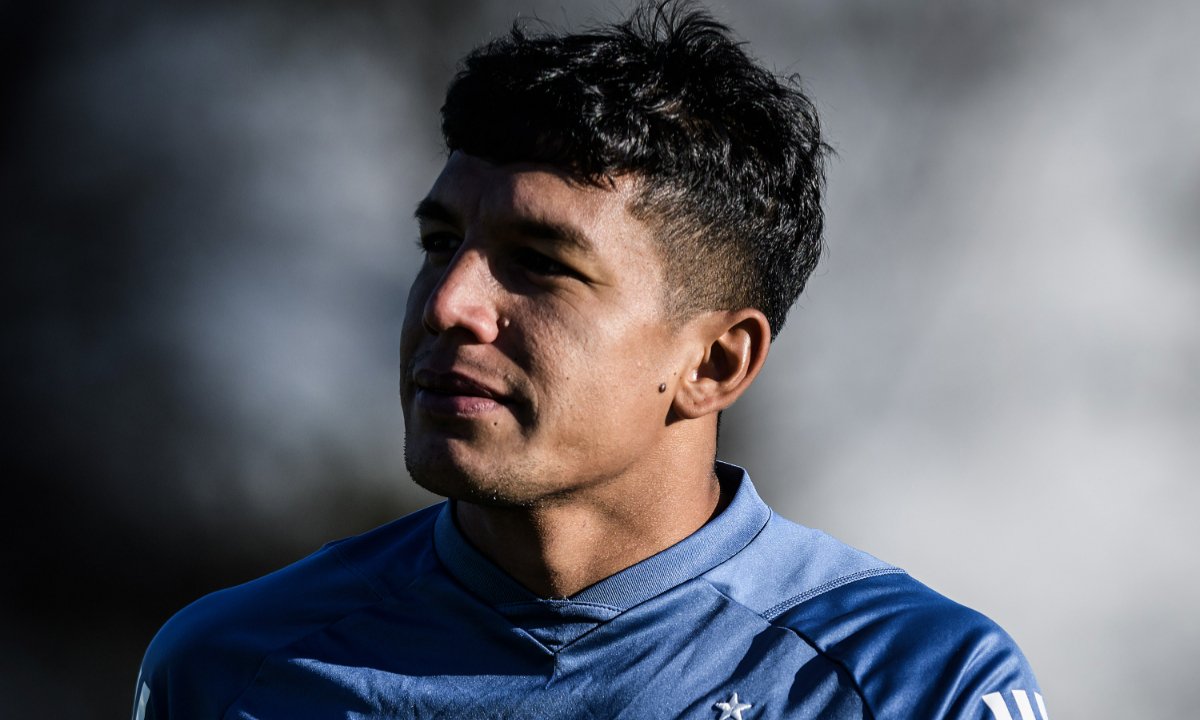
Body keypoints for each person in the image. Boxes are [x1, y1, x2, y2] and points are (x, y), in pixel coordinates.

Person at [133, 2, 1046, 718]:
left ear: (717, 363)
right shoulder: (227, 666)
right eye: (439, 242)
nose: (450, 304)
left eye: (540, 264)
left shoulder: (915, 684)